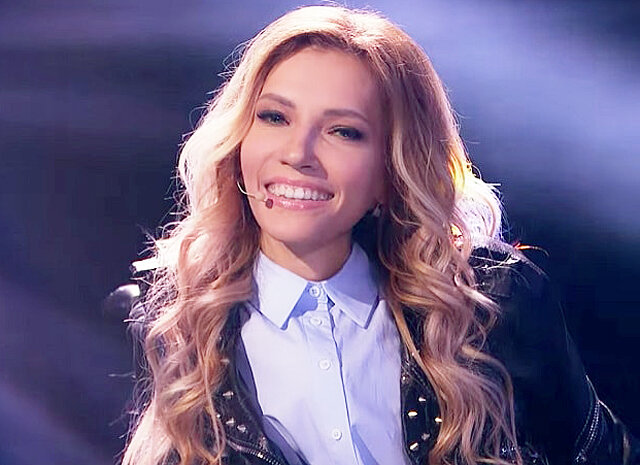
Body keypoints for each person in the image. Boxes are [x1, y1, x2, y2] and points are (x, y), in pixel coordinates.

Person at [120, 5, 638, 465]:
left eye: (343, 131)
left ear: (393, 171)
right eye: (275, 117)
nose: (297, 153)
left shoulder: (491, 307)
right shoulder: (166, 328)